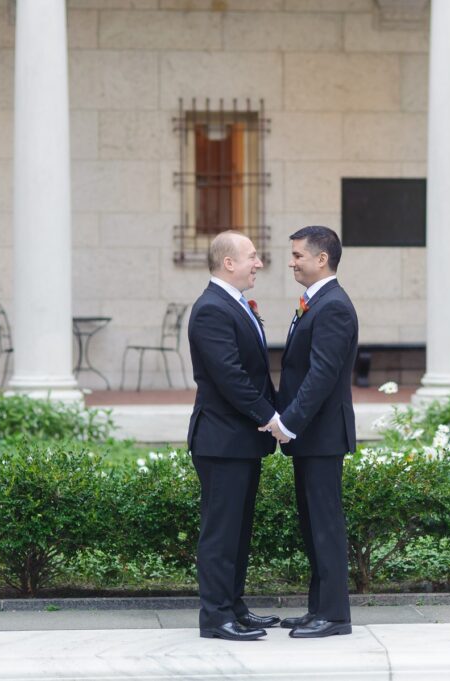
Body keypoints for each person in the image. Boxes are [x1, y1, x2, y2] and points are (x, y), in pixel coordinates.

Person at [186, 230, 288, 642]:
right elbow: (230, 376)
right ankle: (215, 617)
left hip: (240, 440)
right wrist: (272, 418)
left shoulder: (234, 304)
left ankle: (235, 607)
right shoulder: (211, 309)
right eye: (252, 256)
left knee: (239, 531)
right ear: (229, 263)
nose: (258, 263)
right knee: (221, 532)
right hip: (221, 441)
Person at [263, 225, 359, 639]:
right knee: (312, 524)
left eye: (298, 255)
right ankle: (318, 607)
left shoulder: (333, 306)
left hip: (320, 436)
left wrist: (288, 421)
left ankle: (335, 615)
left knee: (325, 524)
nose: (291, 262)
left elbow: (322, 375)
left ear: (322, 259)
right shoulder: (316, 302)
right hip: (312, 437)